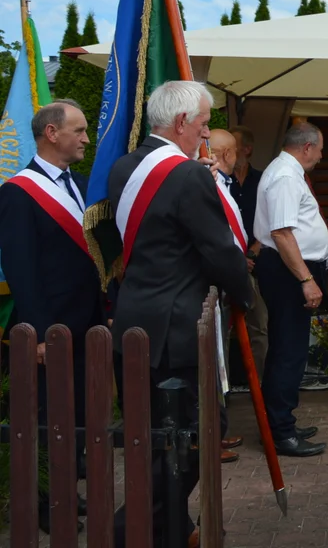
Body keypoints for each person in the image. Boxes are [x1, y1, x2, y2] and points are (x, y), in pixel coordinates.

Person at [107, 81, 251, 547]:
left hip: (134, 317)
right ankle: (130, 530)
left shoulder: (123, 167)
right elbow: (218, 249)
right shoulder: (187, 175)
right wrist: (245, 294)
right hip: (179, 325)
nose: (206, 135)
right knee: (195, 437)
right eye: (204, 124)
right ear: (182, 123)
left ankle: (173, 529)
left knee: (151, 437)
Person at [0, 99, 103, 533]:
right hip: (48, 329)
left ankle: (68, 488)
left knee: (76, 414)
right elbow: (21, 269)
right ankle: (44, 502)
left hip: (84, 324)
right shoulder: (18, 192)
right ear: (51, 134)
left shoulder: (79, 184)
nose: (85, 138)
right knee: (46, 418)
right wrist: (39, 335)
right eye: (78, 131)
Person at [254, 122, 328, 457]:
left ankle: (281, 422)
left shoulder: (287, 171)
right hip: (288, 272)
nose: (322, 156)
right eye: (321, 149)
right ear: (308, 147)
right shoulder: (285, 175)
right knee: (288, 351)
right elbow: (282, 233)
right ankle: (280, 432)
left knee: (289, 348)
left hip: (290, 268)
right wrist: (305, 279)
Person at [207, 129, 248, 462]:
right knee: (211, 360)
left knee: (218, 357)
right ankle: (209, 436)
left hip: (223, 285)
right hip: (210, 288)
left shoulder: (226, 183)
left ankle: (217, 430)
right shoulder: (209, 184)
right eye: (233, 151)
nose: (238, 156)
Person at [228, 124, 269, 383]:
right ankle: (223, 390)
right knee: (220, 328)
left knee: (260, 326)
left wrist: (253, 253)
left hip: (259, 264)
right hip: (227, 263)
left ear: (247, 150)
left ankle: (261, 384)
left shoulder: (263, 181)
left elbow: (272, 220)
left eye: (232, 147)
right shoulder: (219, 181)